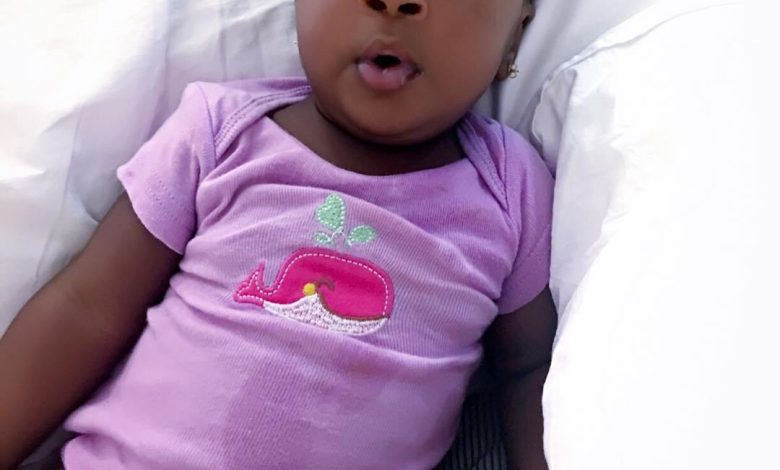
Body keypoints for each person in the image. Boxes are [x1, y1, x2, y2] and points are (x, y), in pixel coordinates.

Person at [0, 0, 556, 468]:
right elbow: (87, 309)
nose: (393, 3)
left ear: (514, 37)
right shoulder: (221, 130)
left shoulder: (509, 188)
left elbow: (531, 371)